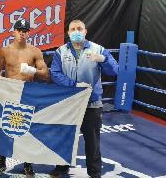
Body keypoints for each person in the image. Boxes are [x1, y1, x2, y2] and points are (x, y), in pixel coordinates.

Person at [49, 19, 119, 178]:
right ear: (68, 32)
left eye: (79, 28)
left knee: (92, 141)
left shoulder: (98, 49)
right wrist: (74, 85)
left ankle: (95, 173)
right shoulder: (61, 51)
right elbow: (55, 73)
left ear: (85, 31)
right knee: (64, 137)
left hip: (91, 103)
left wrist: (104, 59)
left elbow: (115, 70)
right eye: (72, 29)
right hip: (68, 102)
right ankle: (61, 167)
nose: (76, 32)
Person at [0, 19, 50, 178]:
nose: (22, 33)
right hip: (9, 93)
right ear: (14, 32)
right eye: (19, 30)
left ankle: (28, 164)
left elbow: (45, 74)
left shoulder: (35, 51)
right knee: (4, 128)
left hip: (27, 93)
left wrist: (31, 69)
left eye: (25, 30)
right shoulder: (5, 50)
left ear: (28, 33)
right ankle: (1, 162)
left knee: (27, 129)